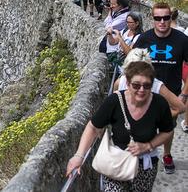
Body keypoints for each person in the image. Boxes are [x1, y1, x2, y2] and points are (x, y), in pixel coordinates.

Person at [66, 61, 174, 191]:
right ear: (127, 83)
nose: (141, 90)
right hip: (116, 163)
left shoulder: (159, 104)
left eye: (147, 86)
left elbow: (167, 131)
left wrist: (148, 146)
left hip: (145, 167)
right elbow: (93, 127)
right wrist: (79, 156)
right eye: (136, 85)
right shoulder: (115, 101)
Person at [133, 2, 188, 174]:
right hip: (145, 93)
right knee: (144, 124)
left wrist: (184, 95)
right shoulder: (144, 39)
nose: (162, 22)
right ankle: (144, 153)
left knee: (168, 127)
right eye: (158, 18)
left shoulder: (182, 40)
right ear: (152, 19)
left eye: (166, 18)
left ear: (171, 18)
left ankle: (166, 154)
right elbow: (133, 65)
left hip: (171, 93)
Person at [114, 48, 186, 117]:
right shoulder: (120, 82)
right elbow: (115, 105)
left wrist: (156, 119)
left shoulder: (156, 85)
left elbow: (180, 108)